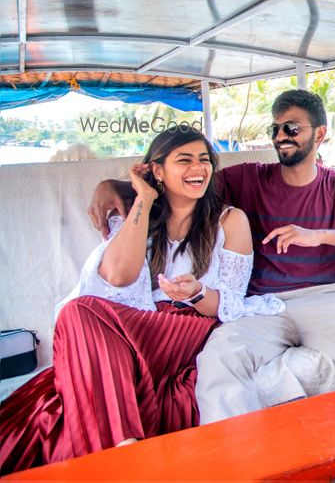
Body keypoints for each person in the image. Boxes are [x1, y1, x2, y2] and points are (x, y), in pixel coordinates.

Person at [86, 89, 335, 423]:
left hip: (325, 297)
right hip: (260, 305)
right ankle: (237, 464)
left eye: (292, 129)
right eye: (276, 129)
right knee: (218, 359)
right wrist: (109, 186)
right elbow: (182, 184)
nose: (281, 136)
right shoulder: (249, 179)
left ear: (319, 134)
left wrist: (318, 236)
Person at [0, 128, 282, 473]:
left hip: (188, 325)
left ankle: (120, 454)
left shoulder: (229, 220)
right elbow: (118, 277)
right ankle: (125, 447)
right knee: (74, 323)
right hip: (135, 326)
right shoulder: (137, 214)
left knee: (79, 318)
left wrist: (195, 293)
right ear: (157, 170)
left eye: (204, 160)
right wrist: (144, 198)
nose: (198, 168)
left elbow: (230, 306)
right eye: (184, 160)